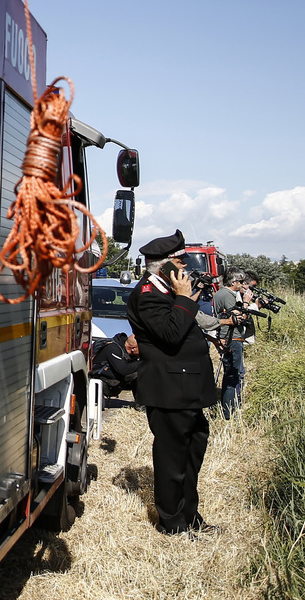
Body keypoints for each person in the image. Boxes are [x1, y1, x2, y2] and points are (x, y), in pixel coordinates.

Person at [126, 229, 221, 536]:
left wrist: (182, 300)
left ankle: (191, 516)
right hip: (169, 391)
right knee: (172, 459)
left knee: (192, 451)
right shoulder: (147, 295)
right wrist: (183, 300)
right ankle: (173, 524)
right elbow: (171, 334)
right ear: (165, 266)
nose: (184, 270)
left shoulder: (165, 294)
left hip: (187, 389)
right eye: (180, 264)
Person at [212, 271, 247, 418]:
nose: (242, 285)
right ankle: (229, 411)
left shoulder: (219, 293)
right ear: (233, 283)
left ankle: (228, 408)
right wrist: (245, 303)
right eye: (240, 282)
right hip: (233, 338)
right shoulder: (228, 295)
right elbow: (237, 317)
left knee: (230, 373)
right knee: (233, 375)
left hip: (226, 336)